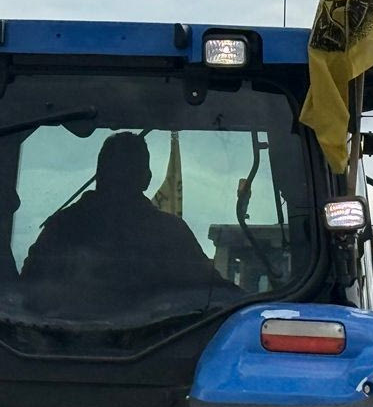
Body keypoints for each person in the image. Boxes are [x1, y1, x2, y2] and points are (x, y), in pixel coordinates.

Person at [21, 133, 223, 316]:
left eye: (124, 173)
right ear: (146, 179)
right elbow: (218, 295)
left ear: (99, 176)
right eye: (118, 173)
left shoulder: (61, 228)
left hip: (53, 348)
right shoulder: (171, 234)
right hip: (160, 347)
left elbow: (23, 296)